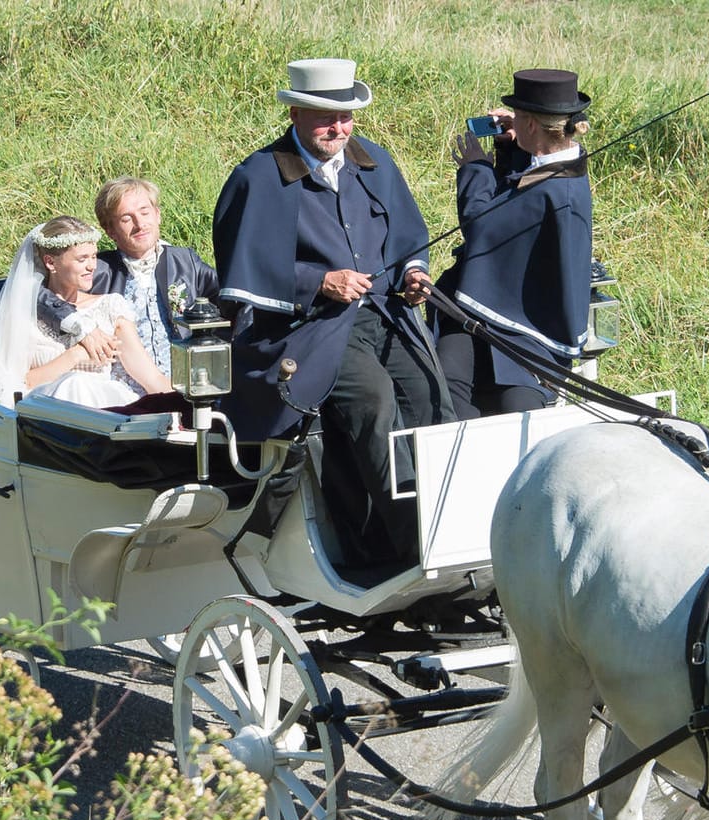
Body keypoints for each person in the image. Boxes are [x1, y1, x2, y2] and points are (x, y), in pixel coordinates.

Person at [212, 57, 450, 564]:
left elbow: (410, 238)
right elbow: (241, 270)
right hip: (306, 331)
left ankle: (452, 532)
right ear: (295, 112)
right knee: (375, 400)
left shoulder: (374, 162)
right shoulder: (257, 177)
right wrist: (320, 280)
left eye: (345, 117)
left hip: (384, 316)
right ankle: (412, 555)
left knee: (432, 400)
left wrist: (413, 274)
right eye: (324, 117)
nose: (337, 128)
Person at [435, 69, 594, 418]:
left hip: (529, 331)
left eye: (519, 117)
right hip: (508, 310)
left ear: (534, 125)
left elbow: (481, 227)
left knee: (489, 406)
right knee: (448, 383)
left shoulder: (551, 190)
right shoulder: (566, 166)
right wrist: (513, 144)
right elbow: (516, 188)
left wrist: (475, 167)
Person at [0, 216, 173, 407]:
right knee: (75, 383)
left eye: (94, 256)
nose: (92, 266)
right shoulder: (23, 315)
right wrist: (75, 356)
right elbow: (17, 385)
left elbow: (151, 377)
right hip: (47, 410)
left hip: (103, 404)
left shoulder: (110, 307)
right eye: (82, 259)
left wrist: (187, 410)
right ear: (50, 262)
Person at [38, 177, 220, 379]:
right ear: (110, 230)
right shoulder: (96, 269)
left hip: (184, 382)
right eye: (126, 218)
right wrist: (80, 326)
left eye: (145, 212)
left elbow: (230, 297)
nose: (140, 224)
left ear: (158, 215)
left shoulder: (186, 262)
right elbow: (38, 294)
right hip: (118, 389)